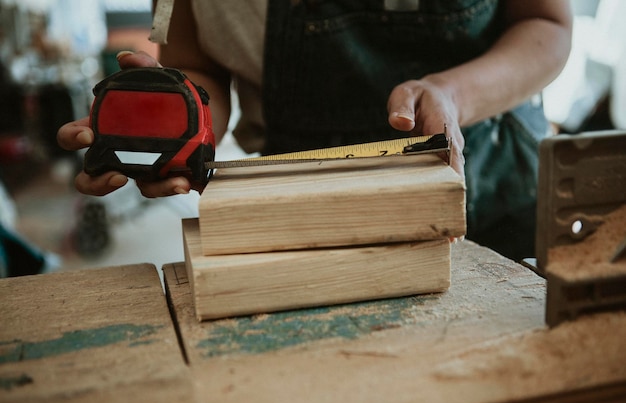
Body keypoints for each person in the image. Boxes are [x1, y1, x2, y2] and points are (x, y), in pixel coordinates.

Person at [57, 0, 572, 260]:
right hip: (301, 205)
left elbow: (548, 23)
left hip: (494, 180)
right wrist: (175, 129)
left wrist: (453, 95)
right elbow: (194, 61)